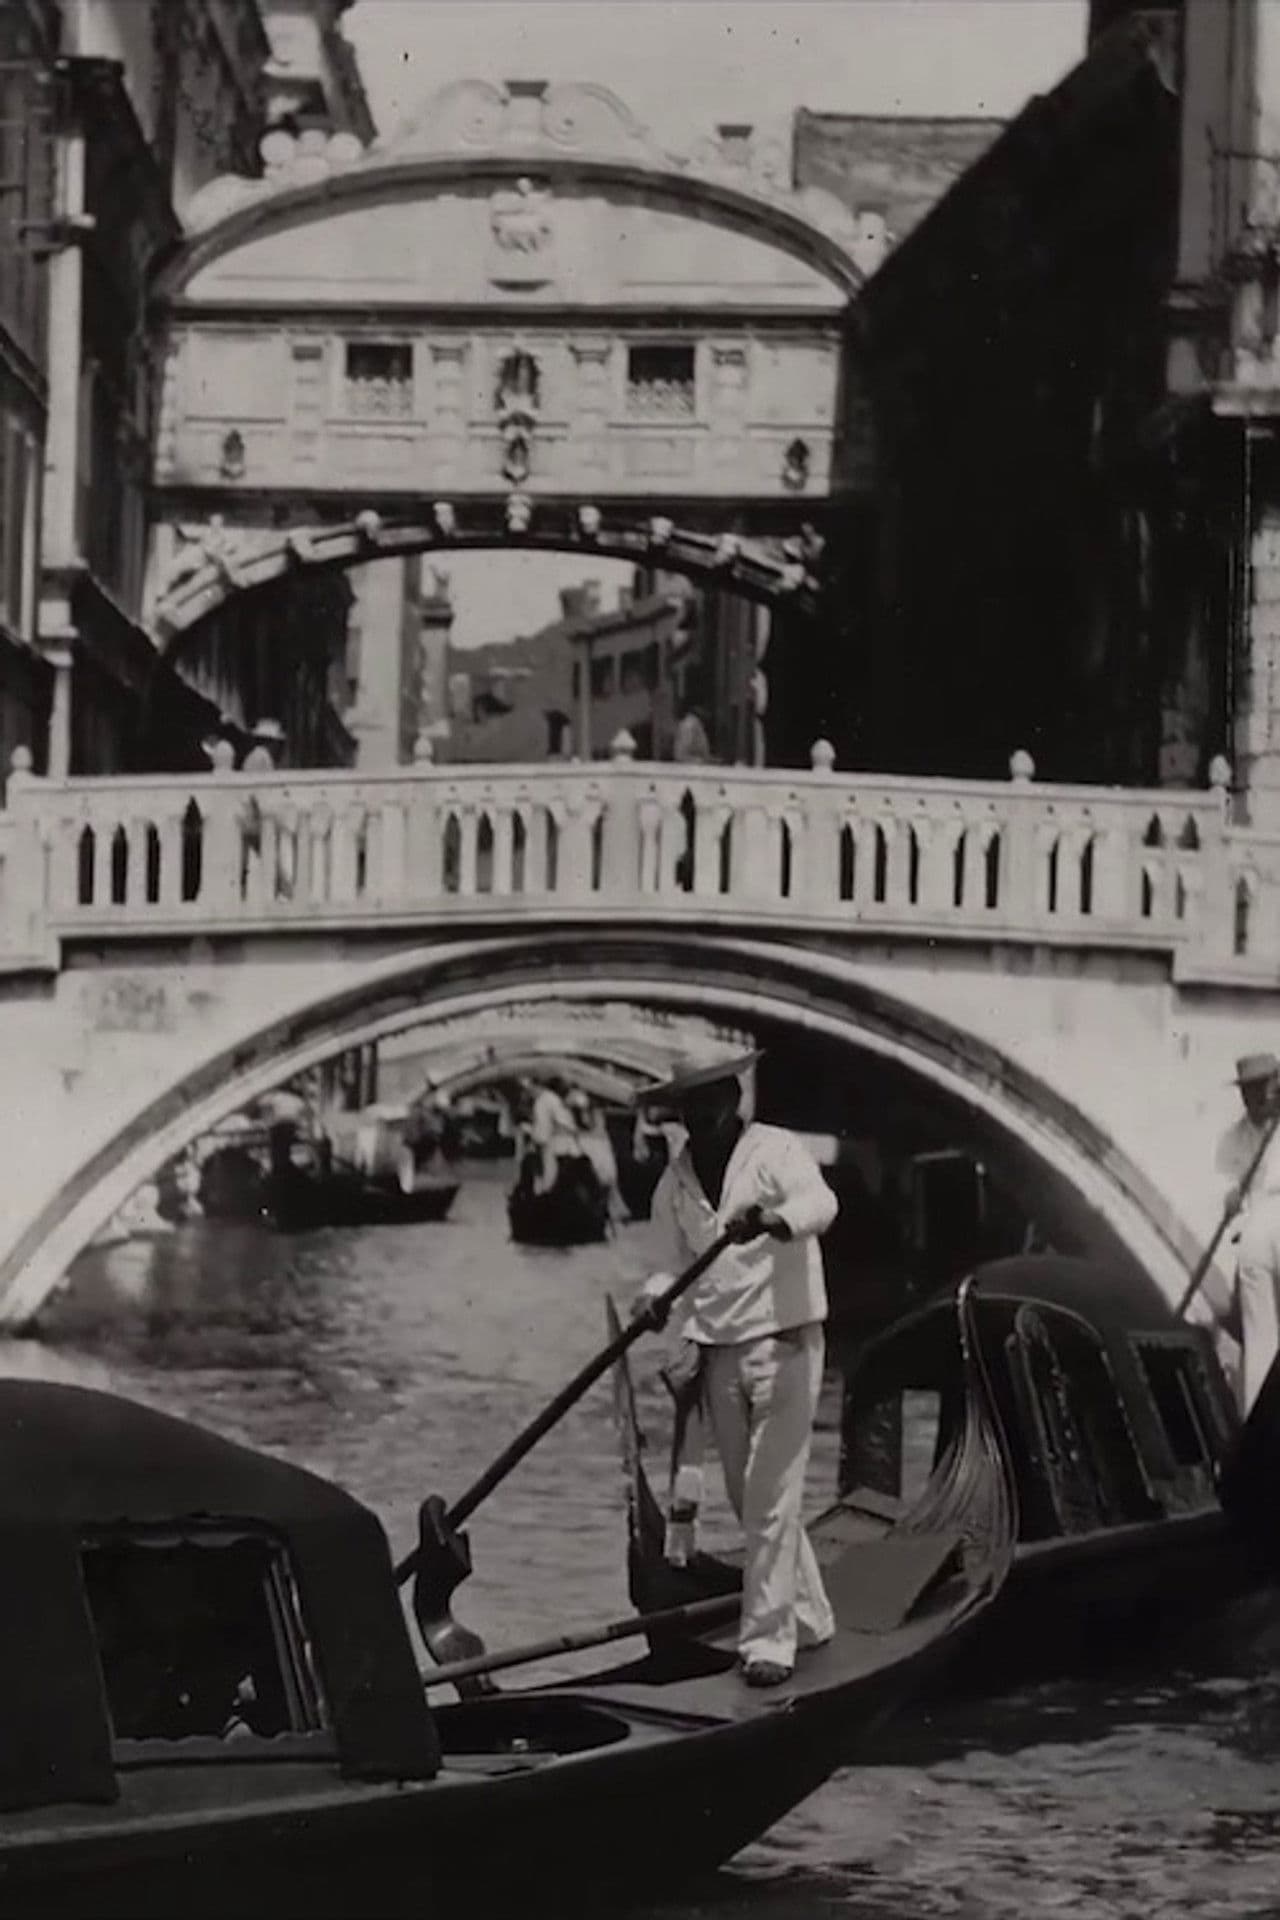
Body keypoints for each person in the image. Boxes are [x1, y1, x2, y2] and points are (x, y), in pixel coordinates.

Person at [634, 1049, 838, 1688]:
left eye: (711, 1100)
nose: (700, 1115)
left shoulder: (775, 1151)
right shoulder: (675, 1183)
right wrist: (653, 1296)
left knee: (772, 1497)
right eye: (690, 1105)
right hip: (720, 1346)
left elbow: (820, 1204)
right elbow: (668, 1265)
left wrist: (774, 1221)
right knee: (749, 1496)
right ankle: (811, 1616)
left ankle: (769, 1642)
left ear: (734, 1098)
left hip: (785, 1341)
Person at [1220, 1053, 1280, 1414]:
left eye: (1262, 1089)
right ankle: (1261, 1419)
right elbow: (1226, 1198)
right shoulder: (1233, 1139)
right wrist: (1230, 1199)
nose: (1255, 1098)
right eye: (1249, 1091)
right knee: (1261, 1338)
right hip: (1257, 1230)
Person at [528, 1076, 579, 1195]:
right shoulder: (550, 1098)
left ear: (537, 1087)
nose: (530, 1093)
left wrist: (536, 1140)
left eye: (531, 1089)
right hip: (559, 1139)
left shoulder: (544, 1100)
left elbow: (544, 1125)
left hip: (552, 1141)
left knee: (549, 1174)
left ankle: (544, 1197)